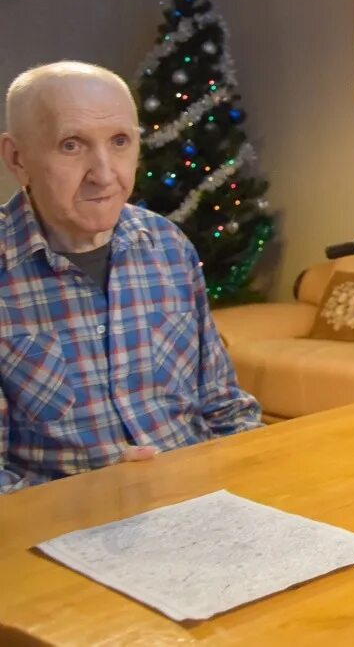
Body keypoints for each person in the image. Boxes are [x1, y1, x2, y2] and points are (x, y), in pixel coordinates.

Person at [0, 62, 261, 494]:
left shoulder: (168, 246)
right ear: (17, 158)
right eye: (71, 145)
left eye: (120, 142)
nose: (104, 173)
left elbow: (224, 406)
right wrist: (87, 499)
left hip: (202, 505)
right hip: (61, 538)